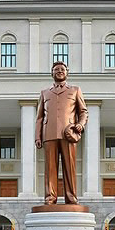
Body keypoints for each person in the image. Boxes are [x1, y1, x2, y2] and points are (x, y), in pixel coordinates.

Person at [35, 61, 88, 205]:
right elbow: (40, 117)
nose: (59, 71)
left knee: (70, 168)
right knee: (50, 169)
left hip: (68, 134)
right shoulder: (44, 93)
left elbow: (83, 112)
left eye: (62, 69)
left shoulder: (75, 90)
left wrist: (80, 124)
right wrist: (38, 136)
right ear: (52, 73)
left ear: (67, 72)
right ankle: (50, 198)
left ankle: (71, 198)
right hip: (49, 134)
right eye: (56, 69)